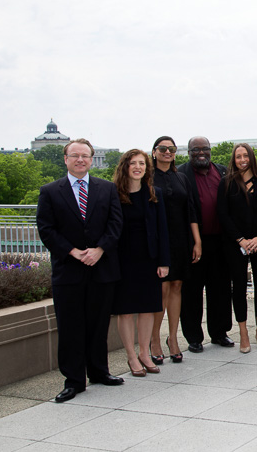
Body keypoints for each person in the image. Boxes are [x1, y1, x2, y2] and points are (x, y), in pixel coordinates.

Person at [37, 138, 124, 403]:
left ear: (91, 159)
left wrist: (99, 250)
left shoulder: (107, 189)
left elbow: (115, 224)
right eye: (75, 155)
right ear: (66, 159)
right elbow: (46, 229)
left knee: (98, 325)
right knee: (71, 327)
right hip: (68, 270)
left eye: (85, 156)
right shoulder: (50, 191)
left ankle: (99, 372)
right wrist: (73, 252)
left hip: (101, 268)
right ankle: (74, 381)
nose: (80, 160)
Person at [112, 150, 171, 377]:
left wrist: (164, 261)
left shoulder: (154, 193)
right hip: (123, 260)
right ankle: (131, 356)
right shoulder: (114, 193)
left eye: (142, 164)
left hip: (149, 259)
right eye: (133, 163)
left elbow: (162, 230)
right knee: (126, 311)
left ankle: (145, 353)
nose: (138, 167)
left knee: (148, 308)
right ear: (125, 166)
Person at [217, 143, 257, 353]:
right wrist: (241, 240)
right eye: (238, 156)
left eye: (245, 156)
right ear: (234, 160)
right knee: (239, 288)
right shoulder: (226, 183)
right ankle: (243, 333)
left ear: (251, 157)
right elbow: (223, 215)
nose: (242, 160)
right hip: (235, 245)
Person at [149, 136, 202, 364]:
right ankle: (154, 340)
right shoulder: (147, 177)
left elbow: (191, 211)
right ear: (154, 152)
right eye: (163, 149)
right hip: (159, 240)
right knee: (160, 290)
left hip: (181, 239)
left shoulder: (181, 177)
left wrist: (197, 241)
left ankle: (173, 338)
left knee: (177, 286)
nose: (167, 152)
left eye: (171, 149)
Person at [179, 137, 233, 351]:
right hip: (195, 243)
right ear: (188, 152)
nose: (200, 153)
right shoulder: (181, 174)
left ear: (210, 151)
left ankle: (219, 333)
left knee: (220, 289)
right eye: (195, 149)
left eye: (204, 149)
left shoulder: (222, 171)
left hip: (220, 241)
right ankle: (193, 337)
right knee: (192, 292)